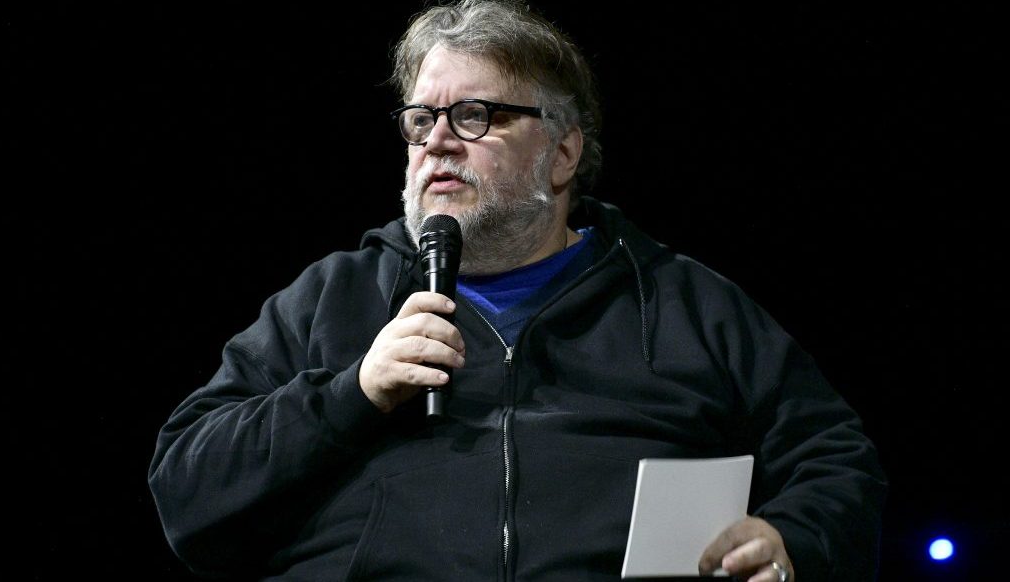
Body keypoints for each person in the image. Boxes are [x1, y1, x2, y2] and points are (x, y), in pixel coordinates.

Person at [148, 1, 887, 580]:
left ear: (562, 153)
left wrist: (791, 540)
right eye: (420, 121)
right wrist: (352, 394)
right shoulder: (332, 298)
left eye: (475, 116)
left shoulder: (684, 304)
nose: (437, 142)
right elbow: (186, 491)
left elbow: (836, 459)